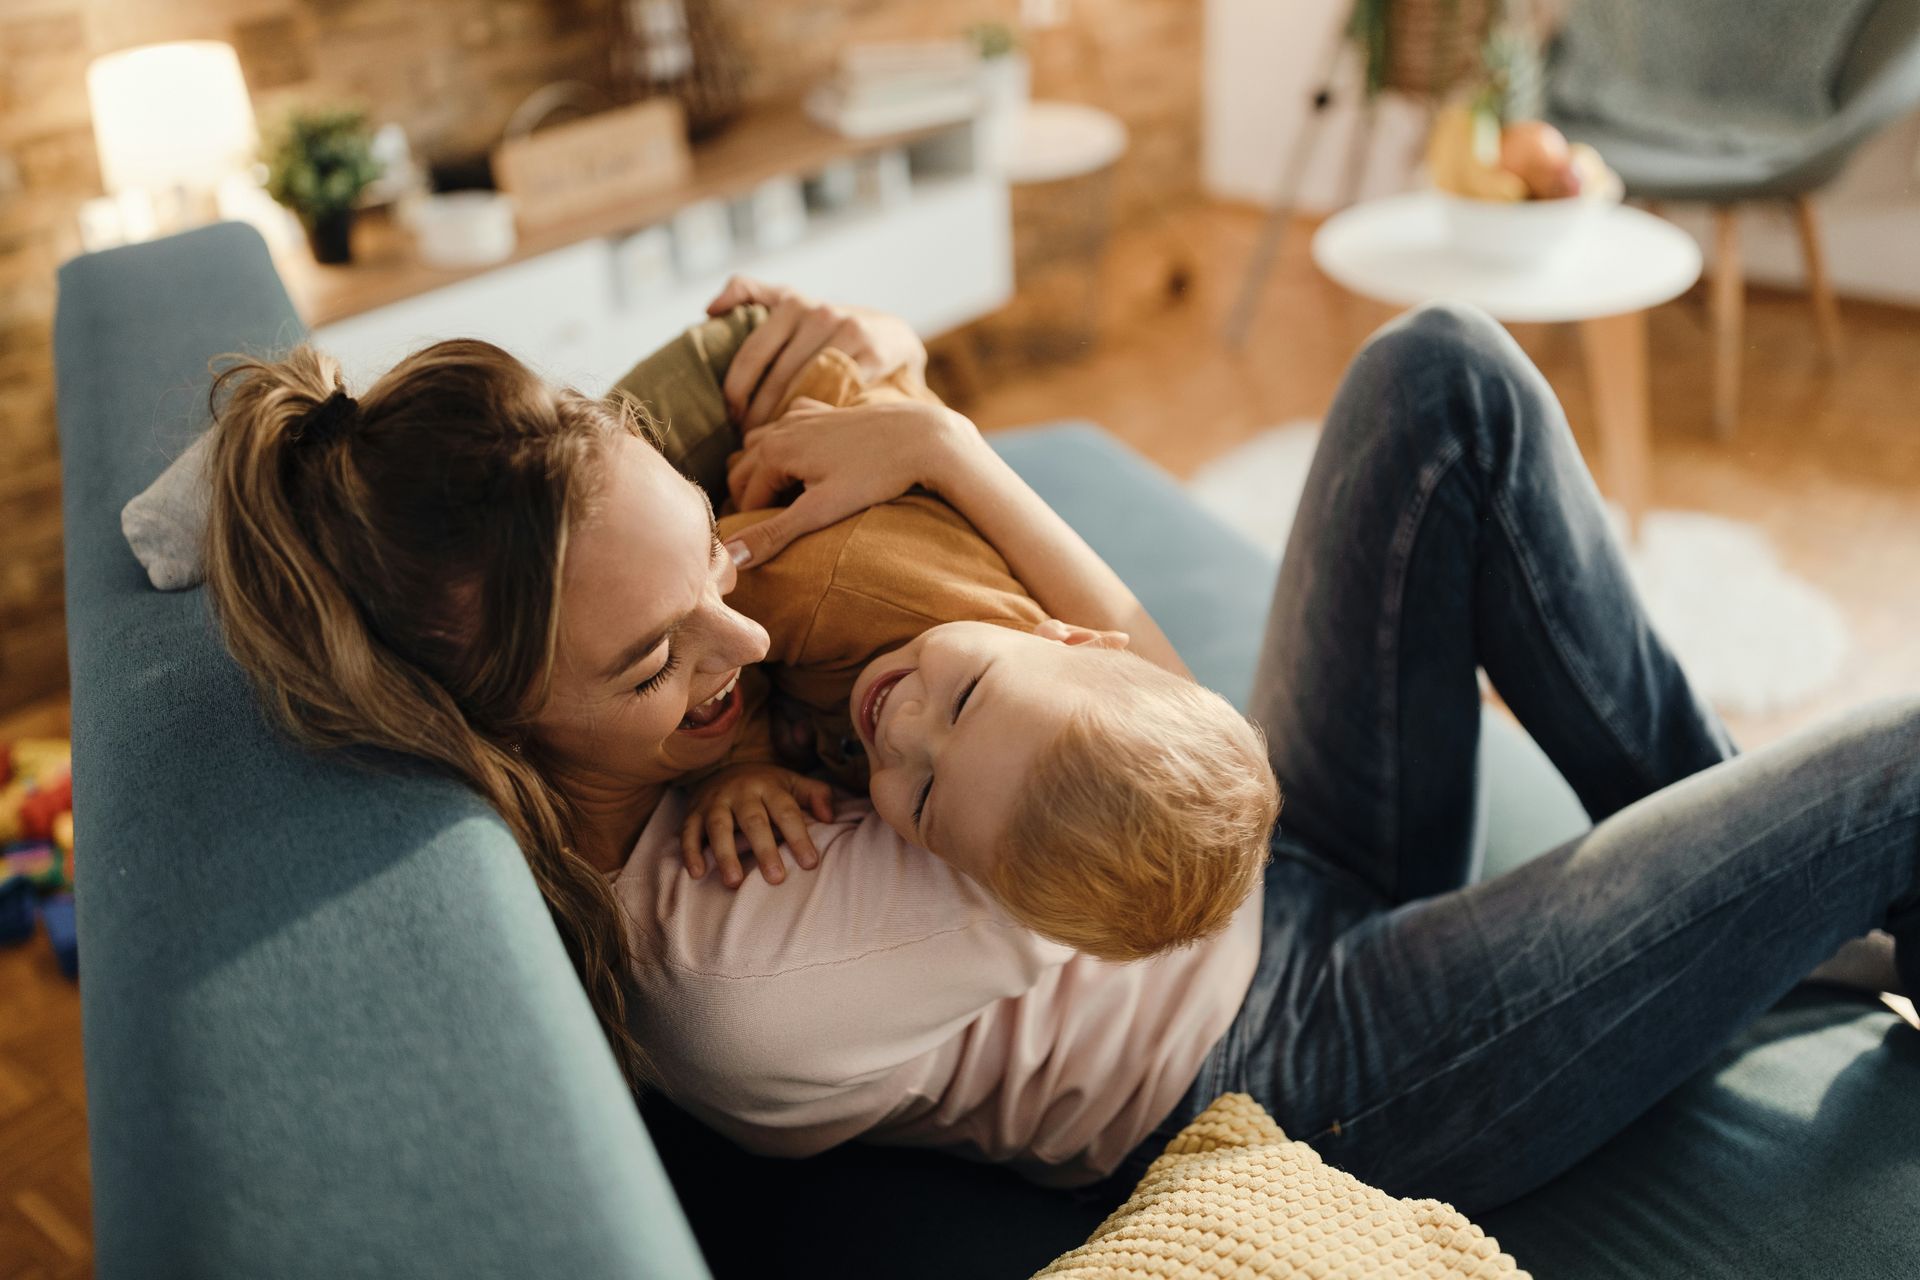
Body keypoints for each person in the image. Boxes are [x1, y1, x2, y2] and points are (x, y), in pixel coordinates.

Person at [200, 277, 1919, 1214]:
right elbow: (1169, 755)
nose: (746, 627)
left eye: (711, 560)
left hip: (1259, 876)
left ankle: (1745, 890)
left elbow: (697, 400)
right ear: (508, 722)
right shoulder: (747, 960)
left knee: (1443, 367)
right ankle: (1810, 918)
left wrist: (869, 414)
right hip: (1308, 1056)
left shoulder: (645, 690)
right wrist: (949, 457)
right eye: (662, 658)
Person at [614, 307, 1275, 962]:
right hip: (746, 393)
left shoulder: (1008, 743)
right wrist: (737, 764)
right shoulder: (846, 587)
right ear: (1069, 635)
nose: (900, 730)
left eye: (925, 798)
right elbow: (691, 597)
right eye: (965, 700)